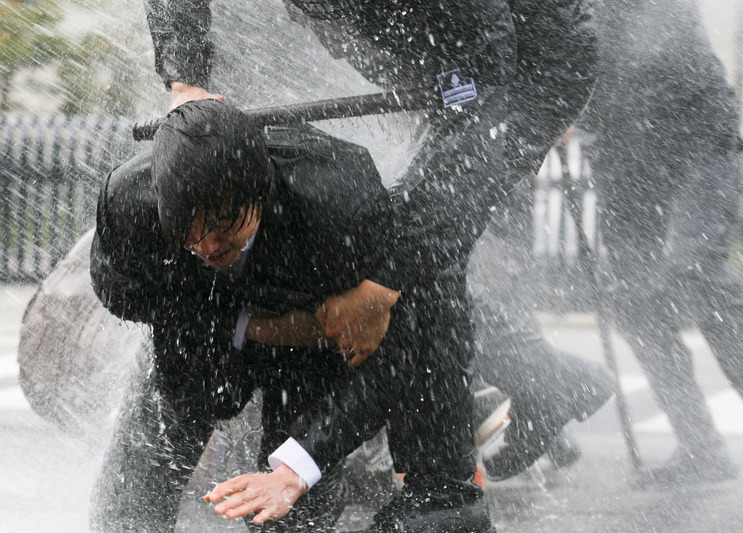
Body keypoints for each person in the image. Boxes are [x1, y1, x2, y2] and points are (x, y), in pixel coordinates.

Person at [138, 1, 606, 488]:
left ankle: (444, 496)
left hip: (521, 66)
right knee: (401, 246)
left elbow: (483, 85)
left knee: (412, 246)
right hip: (422, 49)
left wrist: (382, 285)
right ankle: (543, 384)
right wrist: (186, 79)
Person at [90, 99, 497, 533]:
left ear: (261, 191)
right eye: (189, 231)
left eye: (224, 225)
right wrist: (261, 326)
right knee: (122, 520)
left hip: (306, 360)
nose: (207, 246)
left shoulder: (340, 197)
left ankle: (378, 482)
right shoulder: (128, 206)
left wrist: (295, 468)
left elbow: (398, 350)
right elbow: (125, 296)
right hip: (201, 340)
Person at [477, 0, 743, 487]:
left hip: (697, 132)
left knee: (694, 268)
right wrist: (555, 100)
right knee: (632, 296)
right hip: (623, 150)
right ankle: (701, 446)